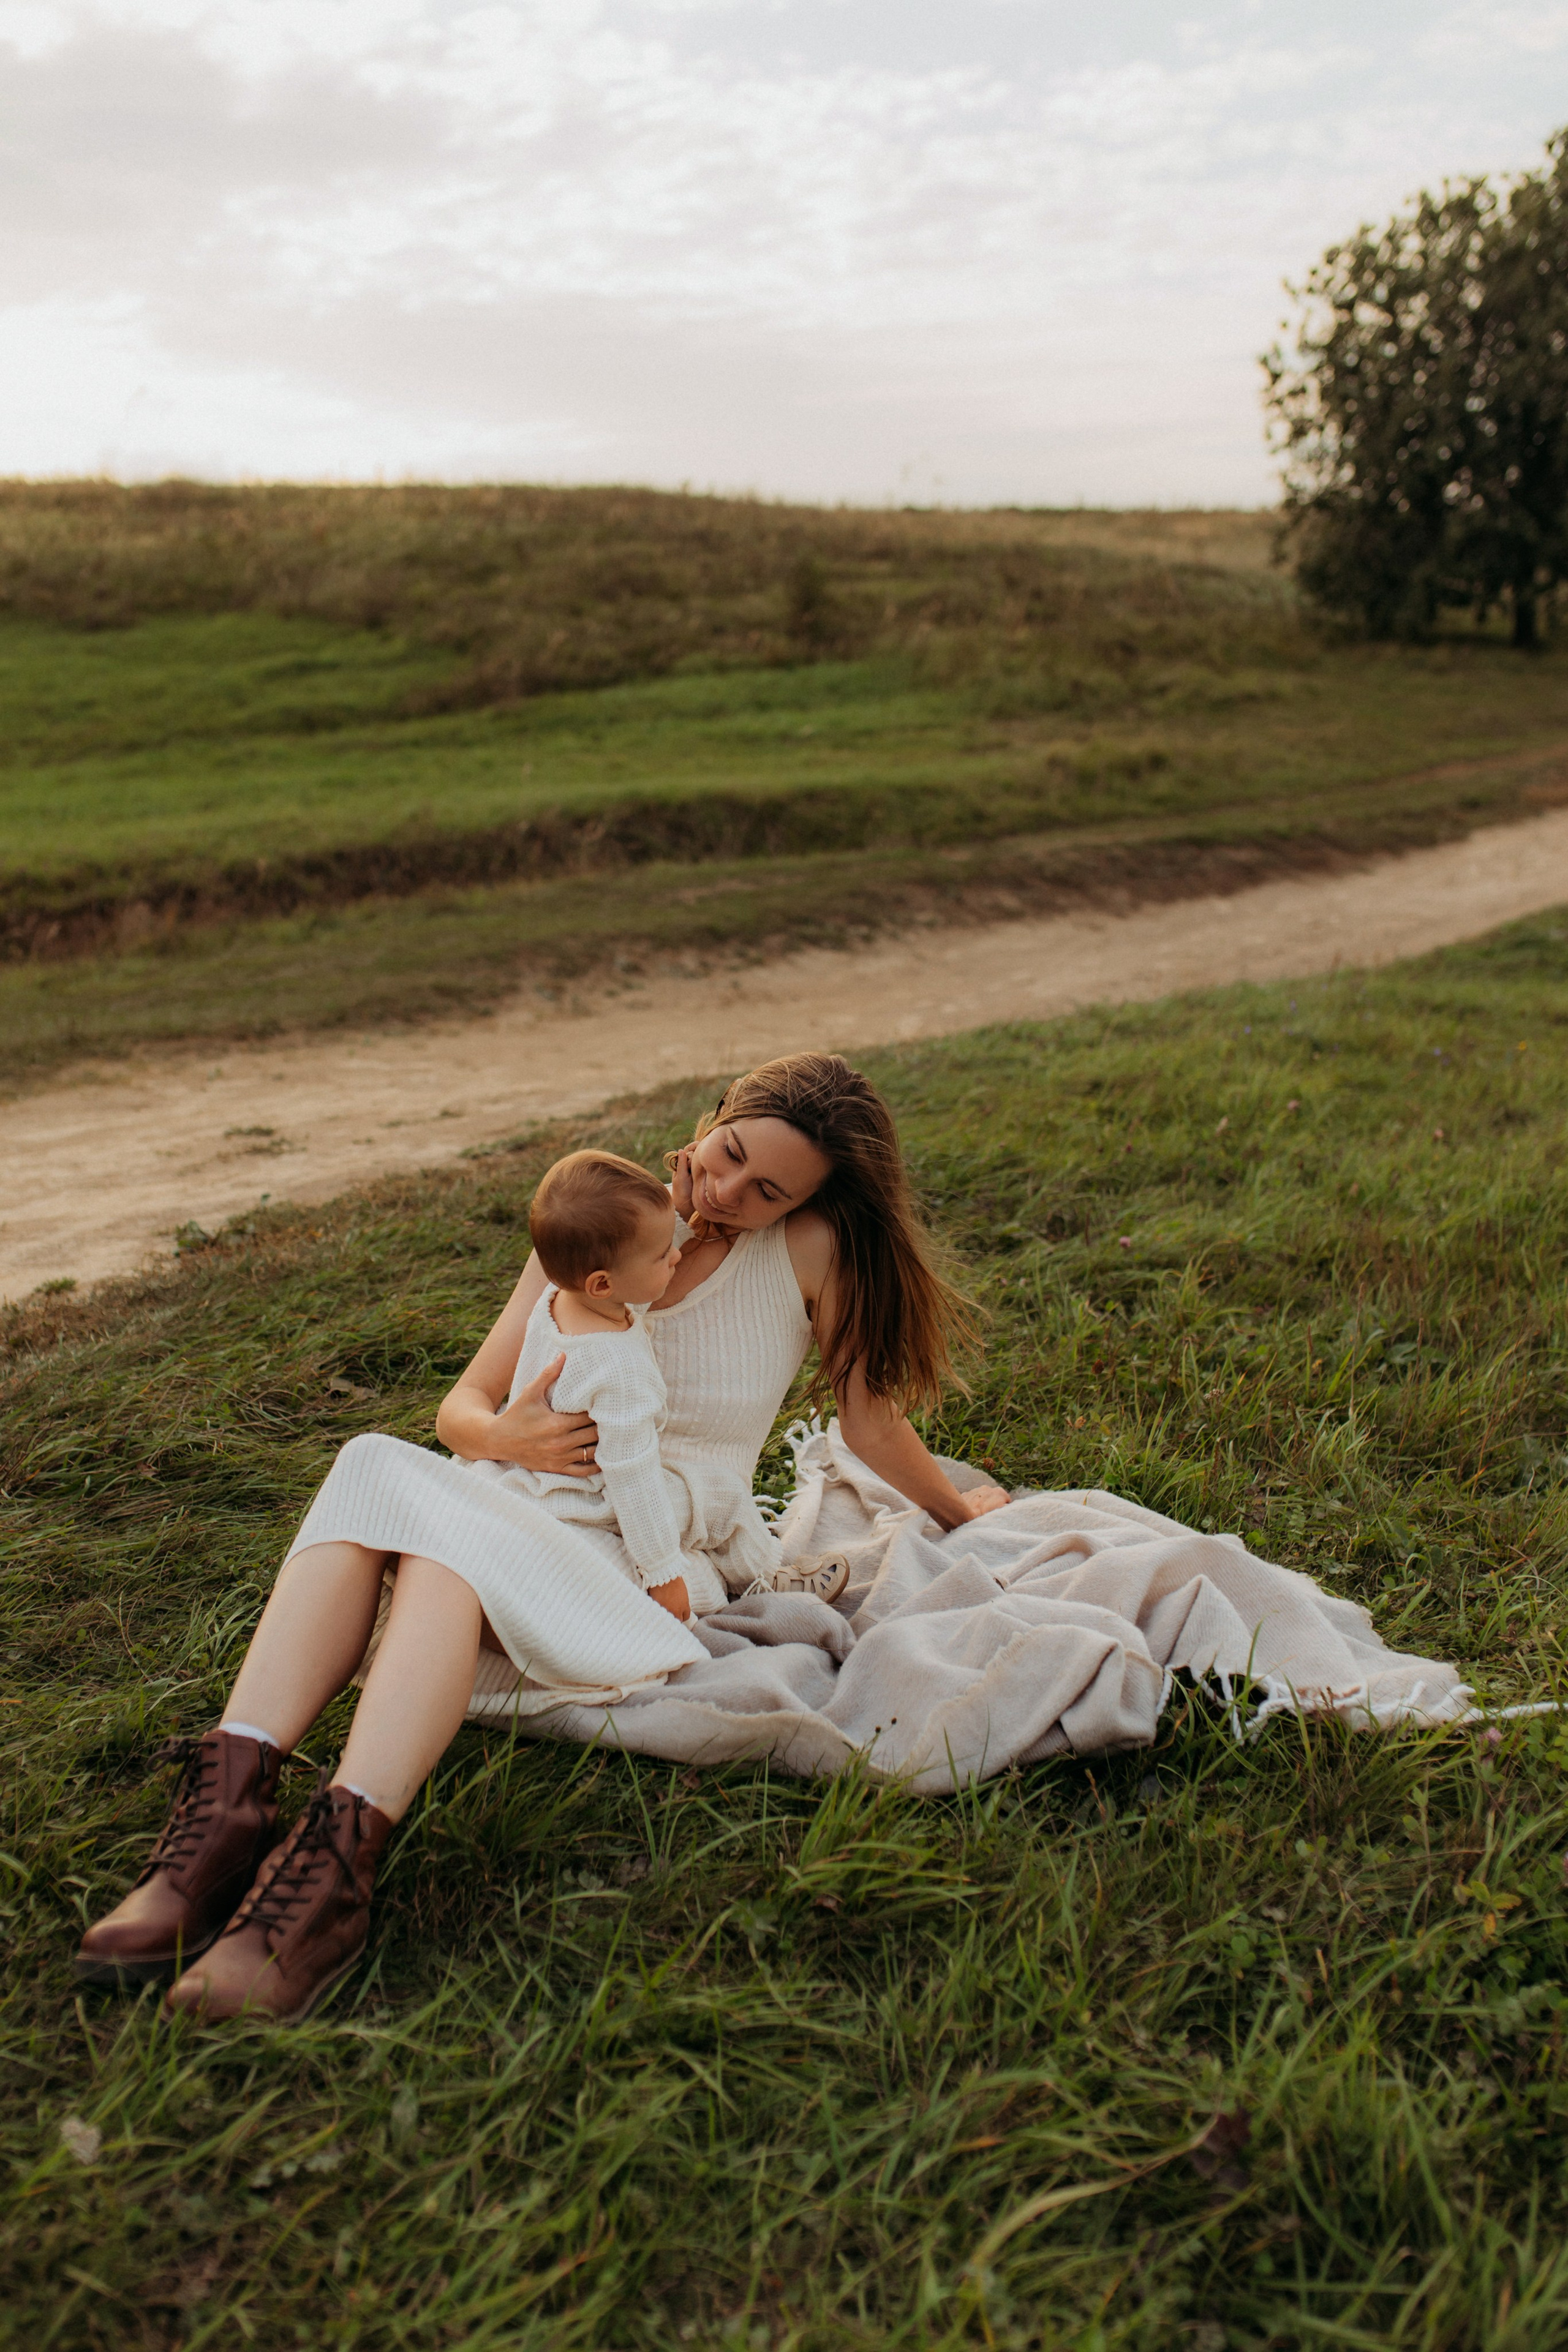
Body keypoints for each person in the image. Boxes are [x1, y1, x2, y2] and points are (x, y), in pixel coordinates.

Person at [74, 1052, 1008, 2021]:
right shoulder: (603, 1215)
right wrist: (500, 1435)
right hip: (529, 1501)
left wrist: (958, 1509)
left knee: (445, 1553)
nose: (727, 1191)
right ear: (720, 1110)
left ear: (811, 1202)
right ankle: (226, 1814)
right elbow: (463, 1410)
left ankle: (326, 1880)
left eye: (767, 1190)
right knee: (371, 1461)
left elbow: (869, 1424)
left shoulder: (810, 1252)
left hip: (658, 1555)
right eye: (728, 1154)